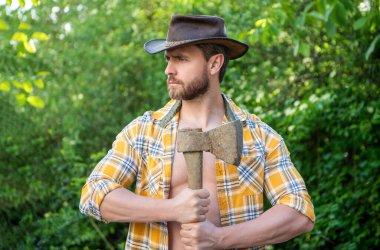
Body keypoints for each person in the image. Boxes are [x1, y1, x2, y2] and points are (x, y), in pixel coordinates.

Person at [79, 14, 315, 250]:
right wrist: (172, 208)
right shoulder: (143, 132)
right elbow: (94, 194)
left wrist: (220, 239)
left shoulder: (260, 137)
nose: (168, 70)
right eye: (168, 59)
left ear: (214, 64)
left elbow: (299, 212)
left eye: (181, 59)